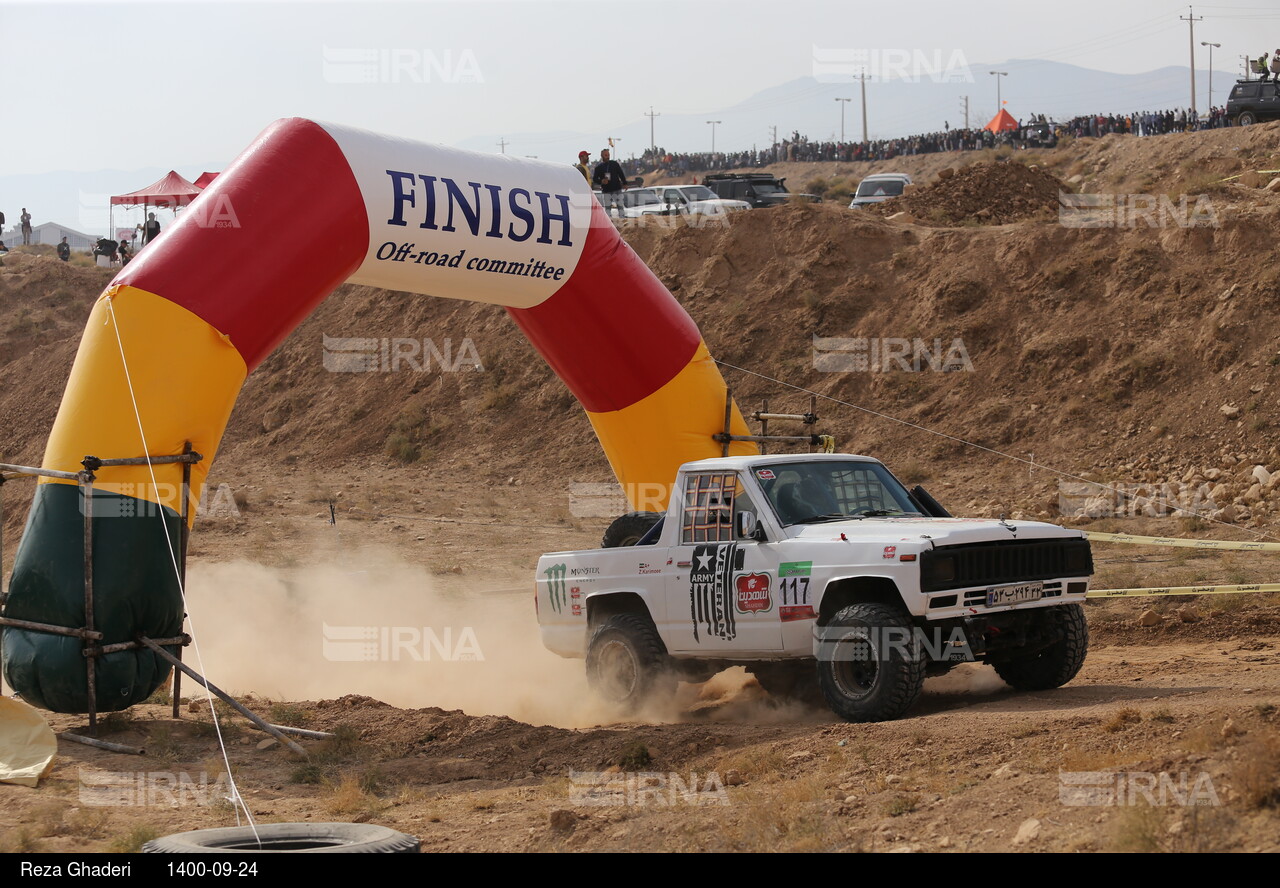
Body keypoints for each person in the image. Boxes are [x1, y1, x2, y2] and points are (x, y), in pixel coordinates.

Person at [592, 148, 628, 219]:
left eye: (608, 155)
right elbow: (595, 179)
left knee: (620, 206)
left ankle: (622, 219)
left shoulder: (614, 164)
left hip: (616, 188)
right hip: (606, 190)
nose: (607, 157)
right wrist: (601, 181)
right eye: (605, 155)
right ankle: (609, 222)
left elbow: (621, 174)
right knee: (608, 208)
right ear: (602, 156)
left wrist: (625, 183)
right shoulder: (598, 168)